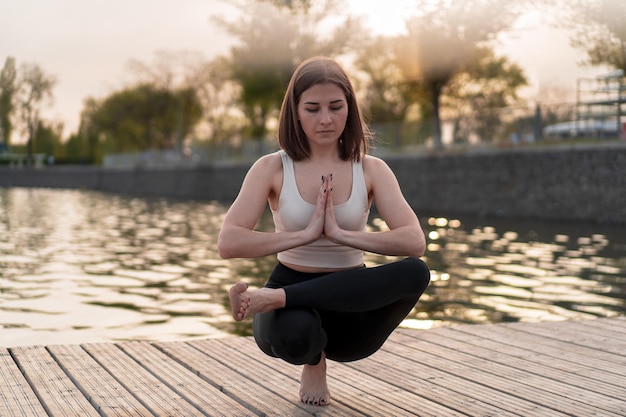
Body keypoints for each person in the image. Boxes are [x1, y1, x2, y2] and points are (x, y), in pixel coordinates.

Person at [218, 56, 430, 407]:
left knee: (416, 272)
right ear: (296, 112)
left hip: (350, 304)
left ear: (350, 107)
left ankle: (274, 299)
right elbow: (229, 241)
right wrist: (303, 236)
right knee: (298, 334)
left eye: (336, 107)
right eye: (313, 108)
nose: (326, 119)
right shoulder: (272, 167)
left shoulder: (372, 169)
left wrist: (342, 235)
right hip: (290, 303)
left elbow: (414, 241)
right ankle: (312, 360)